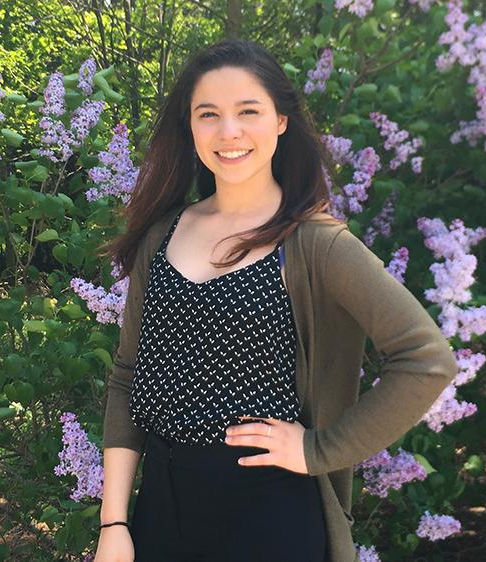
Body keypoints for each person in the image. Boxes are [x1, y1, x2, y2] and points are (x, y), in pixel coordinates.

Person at [94, 39, 458, 562]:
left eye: (248, 111)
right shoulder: (163, 234)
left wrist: (318, 449)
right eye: (208, 114)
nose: (229, 132)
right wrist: (115, 521)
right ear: (190, 127)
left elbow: (427, 359)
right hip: (160, 508)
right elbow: (129, 374)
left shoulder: (315, 243)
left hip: (267, 514)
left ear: (281, 121)